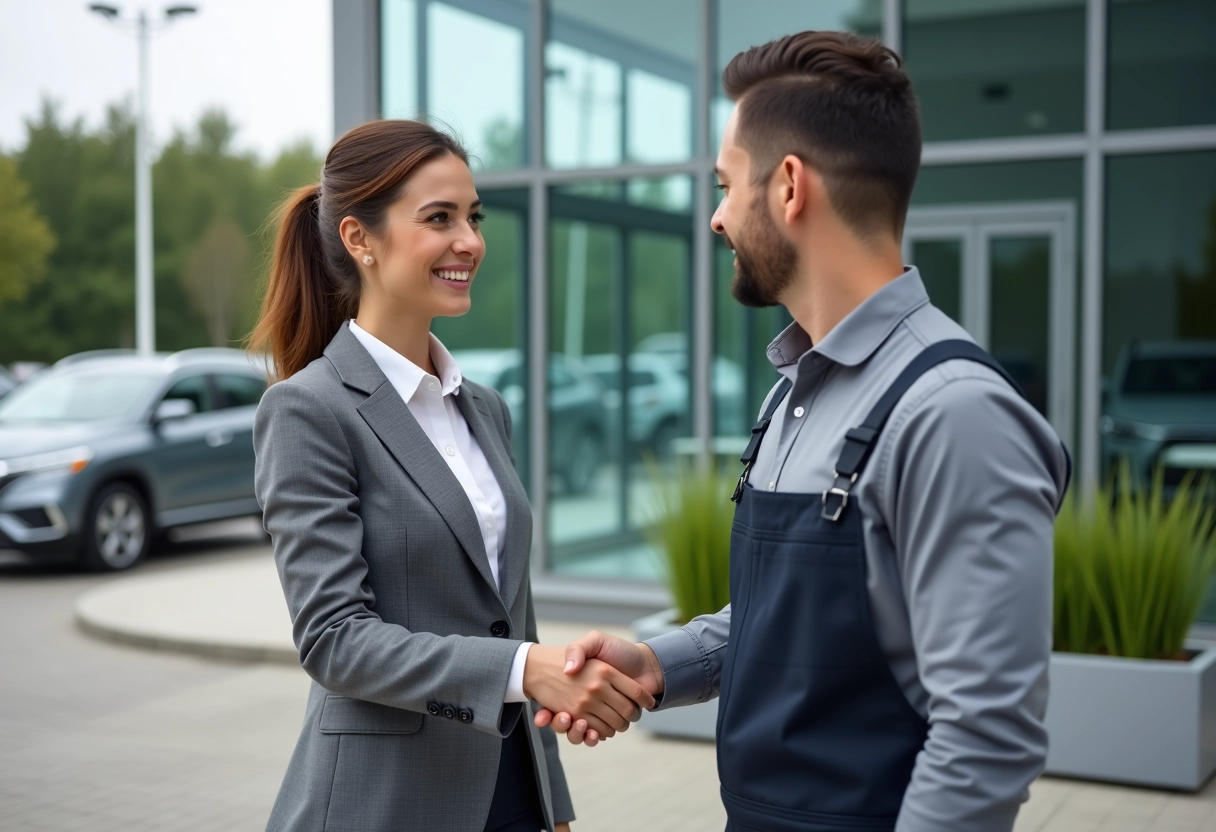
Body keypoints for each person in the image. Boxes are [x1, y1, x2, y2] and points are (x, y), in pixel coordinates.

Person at [537, 31, 1070, 832]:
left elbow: (986, 738)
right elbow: (785, 617)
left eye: (724, 184)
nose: (716, 217)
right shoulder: (792, 394)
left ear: (788, 186)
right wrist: (656, 664)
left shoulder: (953, 414)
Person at [250, 119, 655, 832]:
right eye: (439, 218)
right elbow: (334, 639)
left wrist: (551, 800)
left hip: (509, 792)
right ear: (360, 239)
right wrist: (526, 668)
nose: (469, 241)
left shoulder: (485, 409)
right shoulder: (307, 411)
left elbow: (511, 615)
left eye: (473, 217)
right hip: (385, 803)